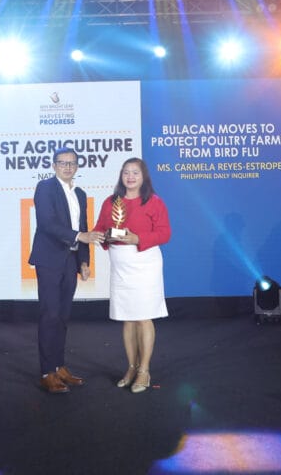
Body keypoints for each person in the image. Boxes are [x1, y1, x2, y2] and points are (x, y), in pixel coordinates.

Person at [29, 148, 105, 394]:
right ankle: (46, 373)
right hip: (49, 259)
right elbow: (47, 223)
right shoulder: (45, 188)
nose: (67, 167)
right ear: (54, 165)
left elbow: (83, 226)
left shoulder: (80, 194)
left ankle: (59, 367)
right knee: (49, 315)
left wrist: (84, 261)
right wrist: (79, 236)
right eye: (62, 163)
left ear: (77, 166)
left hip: (70, 261)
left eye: (72, 163)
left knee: (62, 316)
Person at [94, 157, 171, 393]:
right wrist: (105, 236)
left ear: (143, 176)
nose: (130, 176)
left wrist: (137, 238)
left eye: (135, 172)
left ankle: (144, 370)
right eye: (126, 172)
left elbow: (165, 233)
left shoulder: (154, 202)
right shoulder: (110, 202)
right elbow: (99, 228)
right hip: (120, 266)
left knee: (143, 317)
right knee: (128, 317)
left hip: (145, 264)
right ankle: (131, 368)